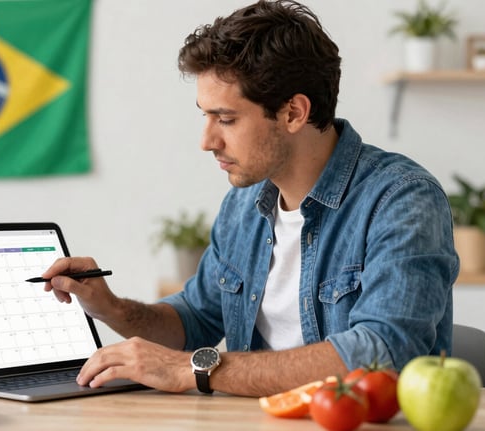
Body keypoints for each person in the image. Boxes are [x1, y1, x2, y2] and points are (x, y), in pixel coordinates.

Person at [41, 0, 458, 397]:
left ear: (293, 113)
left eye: (226, 119)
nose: (207, 141)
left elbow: (382, 353)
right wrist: (110, 307)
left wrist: (193, 369)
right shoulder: (244, 206)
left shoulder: (402, 199)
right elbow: (195, 319)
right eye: (205, 115)